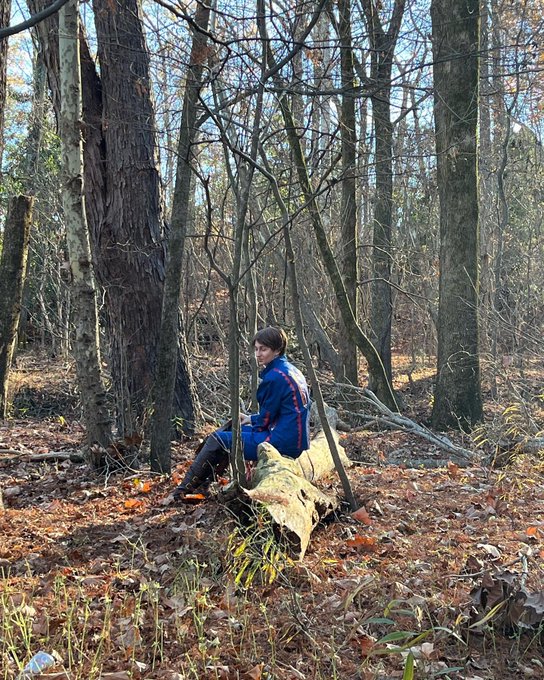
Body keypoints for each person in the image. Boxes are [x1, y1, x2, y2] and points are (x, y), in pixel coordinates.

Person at [172, 326, 310, 501]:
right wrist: (250, 419)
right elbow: (280, 412)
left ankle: (181, 492)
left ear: (277, 350)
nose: (258, 354)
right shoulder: (291, 370)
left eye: (263, 349)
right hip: (294, 439)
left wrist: (254, 426)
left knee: (218, 439)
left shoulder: (275, 377)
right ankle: (202, 486)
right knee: (230, 431)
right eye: (256, 349)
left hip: (281, 443)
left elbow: (266, 420)